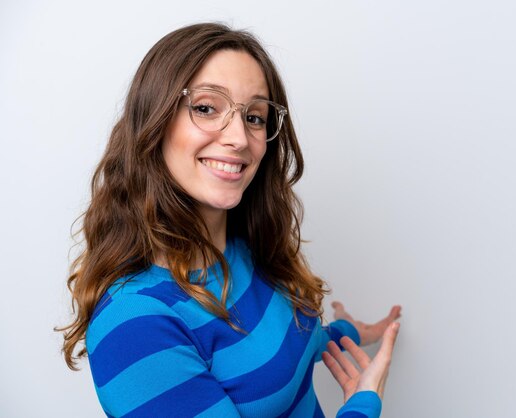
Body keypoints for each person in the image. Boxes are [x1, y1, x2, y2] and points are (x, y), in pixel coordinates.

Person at [57, 22, 401, 417]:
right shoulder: (134, 325)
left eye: (254, 117)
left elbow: (269, 352)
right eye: (206, 108)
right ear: (153, 122)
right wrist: (364, 404)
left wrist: (346, 335)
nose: (239, 137)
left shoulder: (244, 247)